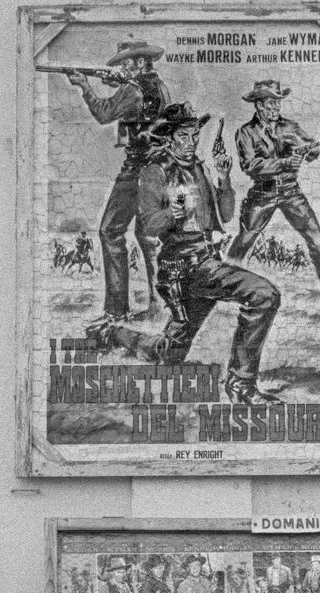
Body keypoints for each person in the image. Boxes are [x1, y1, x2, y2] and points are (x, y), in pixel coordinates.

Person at [99, 102, 281, 405]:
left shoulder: (199, 168)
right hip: (185, 270)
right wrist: (172, 213)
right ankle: (240, 383)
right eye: (183, 136)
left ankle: (115, 334)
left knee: (166, 353)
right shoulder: (155, 173)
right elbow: (150, 226)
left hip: (207, 264)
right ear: (168, 139)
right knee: (264, 295)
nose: (191, 142)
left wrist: (223, 180)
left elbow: (224, 215)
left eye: (194, 135)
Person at [68, 41, 170, 319]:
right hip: (157, 169)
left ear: (140, 63)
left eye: (127, 63)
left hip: (136, 169)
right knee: (147, 237)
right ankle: (158, 305)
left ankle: (116, 311)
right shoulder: (157, 85)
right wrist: (116, 84)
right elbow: (138, 110)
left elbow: (103, 113)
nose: (122, 67)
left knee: (110, 231)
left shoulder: (132, 89)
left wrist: (85, 87)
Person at [227, 79, 320, 312]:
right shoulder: (245, 132)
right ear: (258, 105)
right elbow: (250, 165)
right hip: (262, 193)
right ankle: (224, 293)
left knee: (318, 242)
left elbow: (310, 148)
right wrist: (286, 161)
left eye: (278, 103)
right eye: (270, 103)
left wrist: (311, 150)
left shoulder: (291, 127)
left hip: (290, 191)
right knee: (244, 242)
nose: (276, 108)